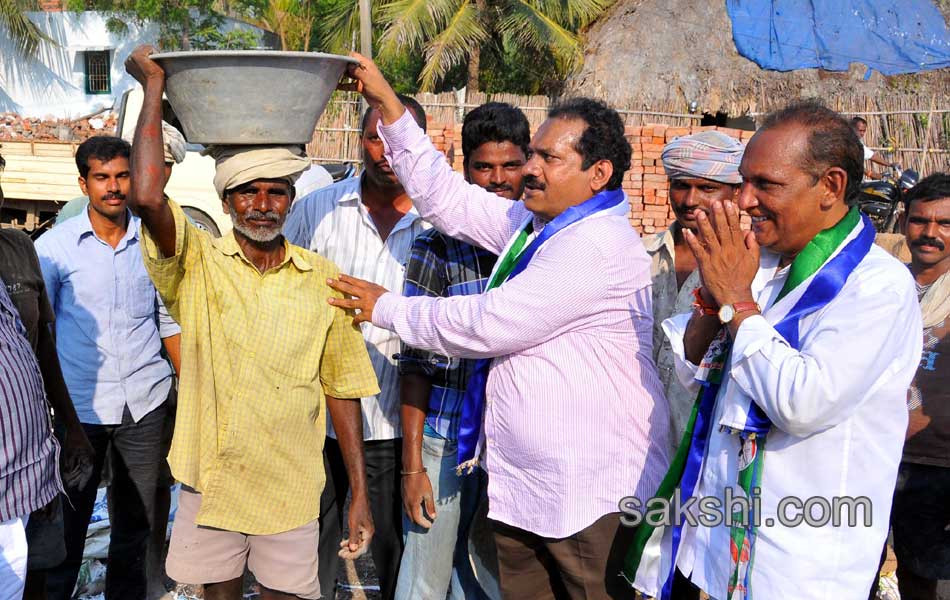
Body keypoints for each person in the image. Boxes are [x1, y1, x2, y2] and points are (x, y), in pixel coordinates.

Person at [325, 54, 671, 600]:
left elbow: (490, 324)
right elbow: (447, 198)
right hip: (529, 492)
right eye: (532, 154)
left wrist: (388, 309)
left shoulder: (595, 247)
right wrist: (387, 104)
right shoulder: (538, 226)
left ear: (597, 174)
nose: (529, 169)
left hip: (588, 497)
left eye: (548, 158)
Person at [624, 100, 922, 600]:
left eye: (766, 185)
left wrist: (737, 303)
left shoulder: (877, 287)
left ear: (830, 186)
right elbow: (691, 368)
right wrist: (715, 297)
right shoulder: (758, 261)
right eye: (744, 182)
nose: (744, 201)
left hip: (799, 562)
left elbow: (802, 404)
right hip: (716, 545)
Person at [124, 45, 380, 600]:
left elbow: (342, 390)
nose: (262, 204)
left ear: (290, 200)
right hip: (211, 478)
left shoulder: (322, 279)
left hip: (289, 485)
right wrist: (152, 86)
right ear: (228, 201)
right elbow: (146, 196)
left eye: (275, 191)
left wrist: (359, 492)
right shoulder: (199, 264)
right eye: (248, 191)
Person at [283, 93, 430, 600]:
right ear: (360, 142)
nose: (386, 152)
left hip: (397, 419)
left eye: (398, 141)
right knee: (312, 551)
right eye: (375, 138)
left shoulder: (440, 224)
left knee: (395, 554)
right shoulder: (317, 211)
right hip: (320, 422)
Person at [35, 135, 182, 600]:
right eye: (102, 178)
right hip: (79, 410)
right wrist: (54, 414)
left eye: (122, 176)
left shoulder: (154, 241)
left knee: (134, 529)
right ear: (84, 183)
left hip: (145, 404)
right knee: (67, 529)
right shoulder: (55, 248)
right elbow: (42, 334)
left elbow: (168, 321)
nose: (114, 187)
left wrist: (193, 390)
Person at [395, 102, 529, 600]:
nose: (498, 180)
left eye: (510, 165)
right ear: (463, 169)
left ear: (529, 164)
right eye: (484, 167)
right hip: (446, 437)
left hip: (513, 442)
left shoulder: (544, 247)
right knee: (425, 576)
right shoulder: (436, 247)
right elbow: (414, 362)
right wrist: (413, 467)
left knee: (494, 578)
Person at [0, 154, 93, 600]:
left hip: (33, 458)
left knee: (36, 571)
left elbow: (42, 347)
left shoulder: (18, 247)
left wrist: (71, 427)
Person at [645, 131, 744, 448]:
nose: (690, 200)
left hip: (703, 442)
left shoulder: (748, 268)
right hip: (631, 437)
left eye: (707, 188)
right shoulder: (639, 255)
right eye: (681, 185)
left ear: (737, 193)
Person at [889, 173, 950, 600]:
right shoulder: (883, 284)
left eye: (945, 223)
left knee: (923, 574)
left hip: (937, 461)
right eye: (919, 220)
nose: (930, 233)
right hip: (874, 454)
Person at [54, 120, 187, 226]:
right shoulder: (75, 211)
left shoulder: (180, 223)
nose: (155, 172)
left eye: (165, 164)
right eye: (146, 162)